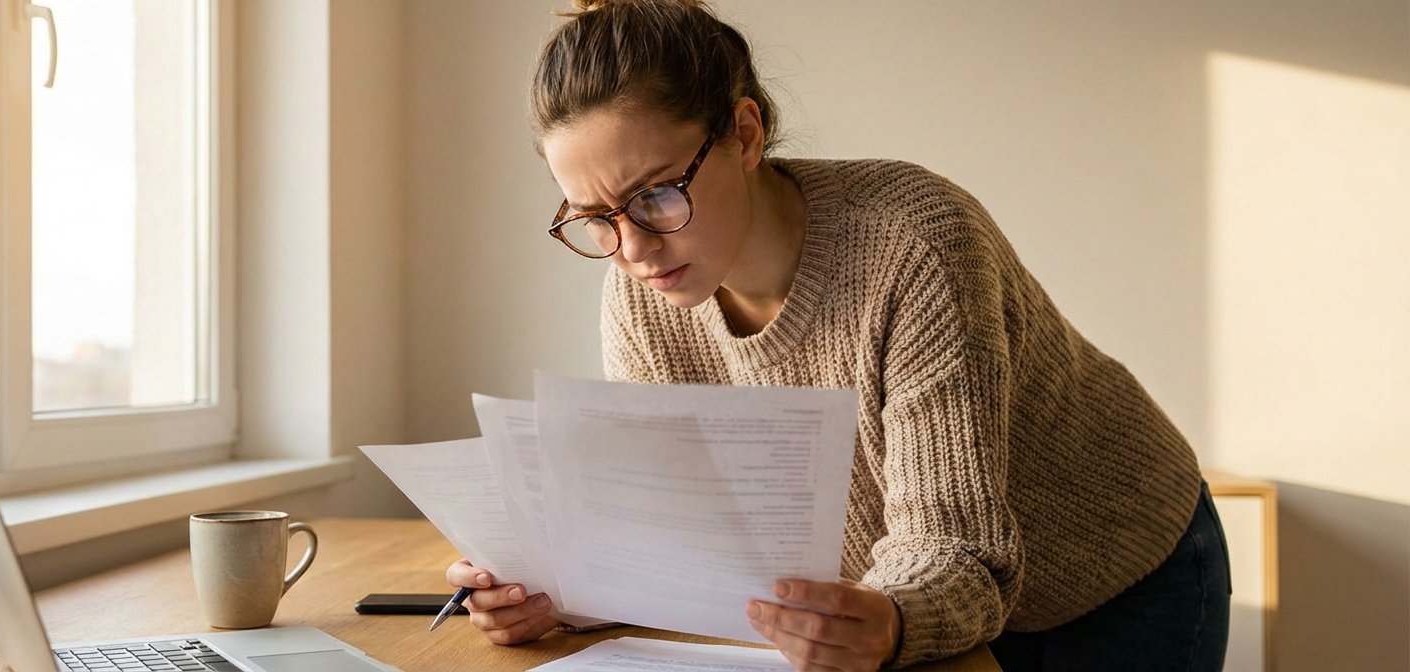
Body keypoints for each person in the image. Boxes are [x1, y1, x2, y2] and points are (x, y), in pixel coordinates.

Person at [444, 1, 1231, 669]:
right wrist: (567, 593)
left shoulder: (913, 244)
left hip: (1120, 574)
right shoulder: (642, 292)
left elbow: (955, 546)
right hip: (896, 612)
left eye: (654, 195)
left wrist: (887, 621)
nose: (633, 247)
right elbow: (687, 535)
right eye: (594, 217)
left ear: (746, 134)